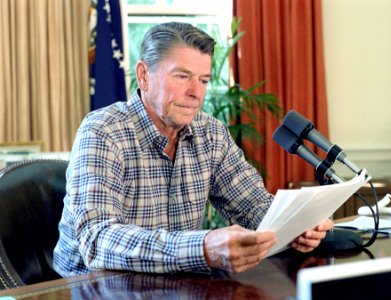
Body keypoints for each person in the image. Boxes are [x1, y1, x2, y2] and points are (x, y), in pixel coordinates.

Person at [53, 22, 333, 277]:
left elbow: (253, 206)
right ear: (143, 75)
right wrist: (203, 247)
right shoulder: (103, 132)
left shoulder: (210, 133)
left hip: (173, 287)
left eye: (203, 80)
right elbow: (98, 240)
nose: (196, 92)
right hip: (87, 289)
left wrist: (297, 225)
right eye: (182, 76)